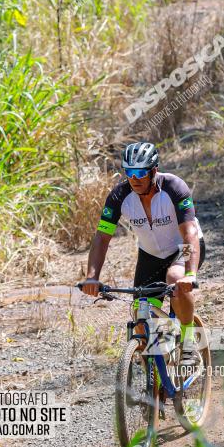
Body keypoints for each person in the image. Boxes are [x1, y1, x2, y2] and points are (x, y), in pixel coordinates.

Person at [81, 142, 205, 370]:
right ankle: (157, 387)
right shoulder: (119, 196)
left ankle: (188, 342)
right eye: (129, 172)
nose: (134, 178)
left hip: (183, 248)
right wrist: (92, 277)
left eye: (140, 172)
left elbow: (189, 234)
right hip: (151, 255)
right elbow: (101, 238)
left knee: (175, 278)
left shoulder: (174, 187)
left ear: (154, 171)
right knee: (142, 318)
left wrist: (190, 273)